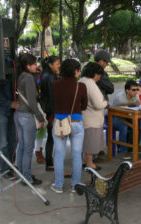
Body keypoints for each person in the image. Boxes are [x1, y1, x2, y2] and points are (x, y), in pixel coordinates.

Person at [51, 59, 88, 194]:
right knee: (77, 155)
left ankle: (59, 185)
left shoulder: (54, 85)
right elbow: (84, 106)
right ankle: (75, 185)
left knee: (59, 155)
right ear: (76, 71)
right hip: (76, 123)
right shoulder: (81, 86)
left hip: (59, 124)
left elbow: (50, 104)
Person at [15, 53, 44, 185]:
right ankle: (26, 177)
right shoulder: (28, 78)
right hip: (27, 116)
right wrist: (40, 117)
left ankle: (21, 174)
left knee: (21, 146)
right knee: (28, 148)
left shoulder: (19, 76)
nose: (36, 66)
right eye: (34, 64)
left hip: (18, 114)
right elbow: (32, 102)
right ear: (28, 65)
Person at [80, 62, 108, 171]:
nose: (100, 77)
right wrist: (105, 102)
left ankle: (83, 161)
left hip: (83, 117)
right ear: (96, 74)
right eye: (99, 75)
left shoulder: (81, 81)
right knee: (90, 143)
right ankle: (90, 163)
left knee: (84, 141)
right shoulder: (91, 84)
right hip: (92, 119)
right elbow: (98, 104)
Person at [112, 80, 141, 157]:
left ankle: (132, 146)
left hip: (128, 115)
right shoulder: (120, 98)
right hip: (114, 117)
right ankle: (123, 150)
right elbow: (116, 115)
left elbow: (140, 103)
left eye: (137, 89)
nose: (136, 92)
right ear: (127, 90)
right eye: (133, 90)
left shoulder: (135, 95)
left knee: (140, 123)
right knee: (124, 127)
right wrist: (130, 124)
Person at [40, 56, 61, 171]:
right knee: (52, 138)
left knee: (51, 138)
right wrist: (52, 115)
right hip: (52, 112)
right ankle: (49, 163)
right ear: (50, 65)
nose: (59, 66)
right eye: (58, 64)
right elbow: (52, 97)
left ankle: (49, 162)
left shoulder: (49, 76)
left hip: (50, 111)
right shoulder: (49, 78)